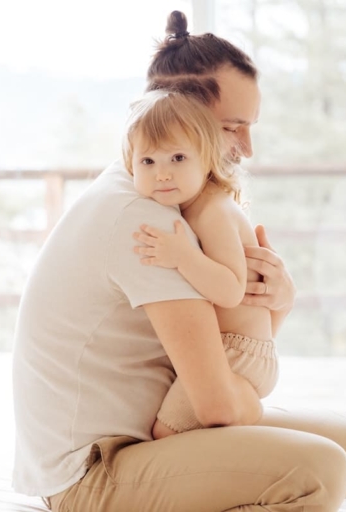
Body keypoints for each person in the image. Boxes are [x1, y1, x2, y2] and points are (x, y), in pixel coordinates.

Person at [12, 11, 346, 512]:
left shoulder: (175, 200)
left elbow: (226, 356)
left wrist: (276, 304)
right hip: (95, 470)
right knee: (319, 468)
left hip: (171, 423)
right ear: (180, 116)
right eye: (232, 127)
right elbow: (217, 403)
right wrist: (248, 413)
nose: (247, 148)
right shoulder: (146, 220)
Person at [122, 90, 279, 439]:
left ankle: (247, 424)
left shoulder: (213, 211)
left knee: (166, 433)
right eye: (148, 162)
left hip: (238, 352)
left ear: (206, 159)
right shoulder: (192, 205)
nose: (162, 174)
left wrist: (184, 258)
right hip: (237, 348)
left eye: (178, 158)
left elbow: (230, 289)